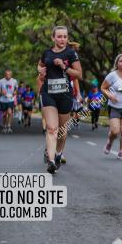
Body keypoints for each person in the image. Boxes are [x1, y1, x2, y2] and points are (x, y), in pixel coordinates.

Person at [37, 26, 82, 173]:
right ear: (53, 38)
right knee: (51, 128)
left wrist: (64, 66)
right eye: (59, 36)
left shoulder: (71, 53)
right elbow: (40, 65)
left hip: (65, 95)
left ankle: (58, 154)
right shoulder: (47, 53)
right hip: (48, 93)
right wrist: (40, 71)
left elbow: (78, 74)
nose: (62, 39)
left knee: (62, 131)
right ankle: (50, 161)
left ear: (67, 38)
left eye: (64, 37)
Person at [0, 69, 19, 134]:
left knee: (10, 113)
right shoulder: (1, 81)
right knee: (4, 114)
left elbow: (16, 88)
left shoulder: (14, 81)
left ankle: (9, 126)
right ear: (5, 75)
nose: (8, 76)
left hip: (10, 99)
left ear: (11, 75)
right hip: (3, 100)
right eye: (7, 74)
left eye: (9, 75)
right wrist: (1, 92)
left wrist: (15, 92)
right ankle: (4, 126)